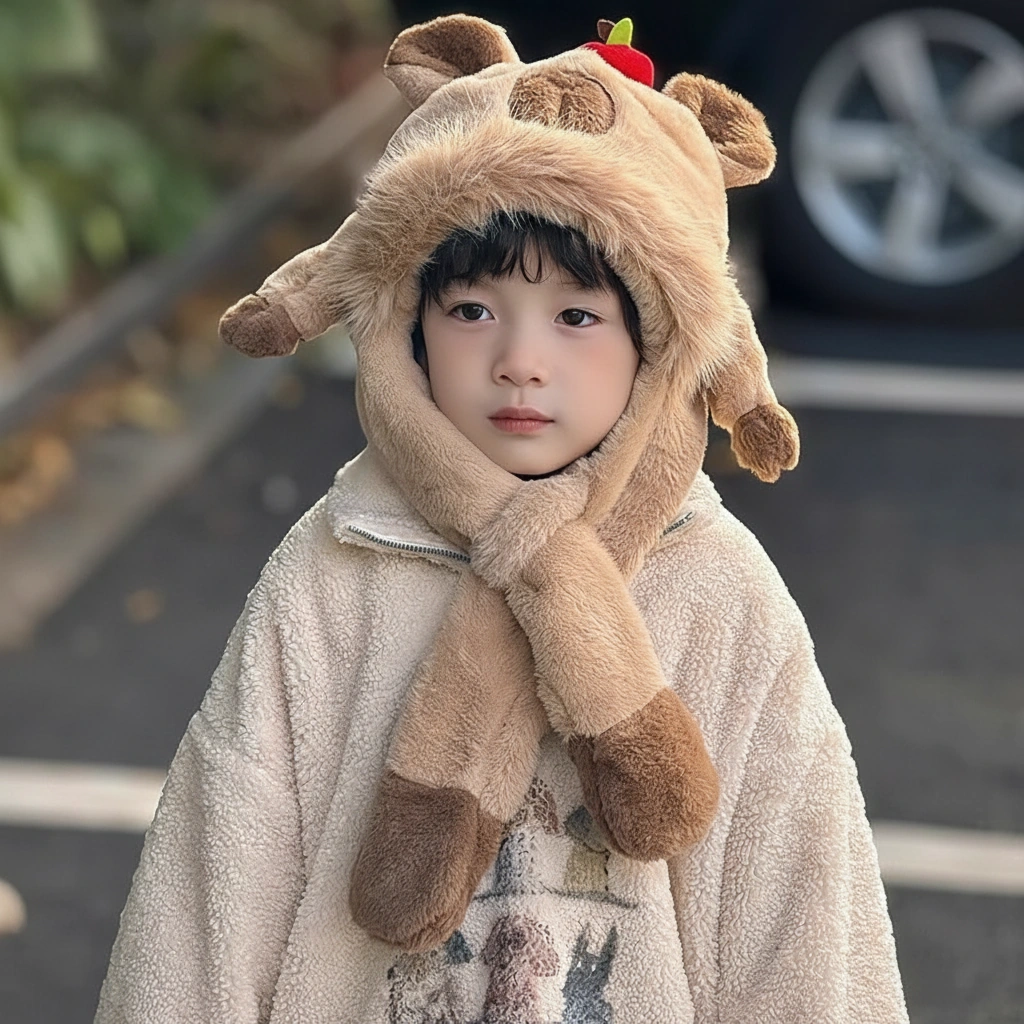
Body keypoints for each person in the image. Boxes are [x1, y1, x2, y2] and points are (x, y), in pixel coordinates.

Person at [94, 14, 910, 1024]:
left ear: (661, 344)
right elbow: (218, 869)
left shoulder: (716, 588)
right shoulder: (337, 567)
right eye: (472, 310)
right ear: (407, 327)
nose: (521, 361)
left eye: (578, 316)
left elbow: (797, 904)